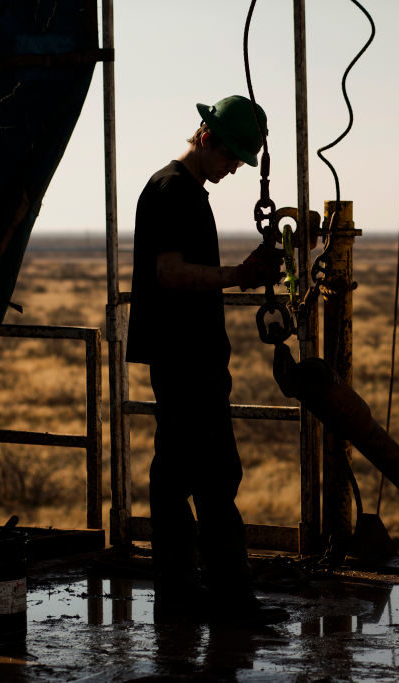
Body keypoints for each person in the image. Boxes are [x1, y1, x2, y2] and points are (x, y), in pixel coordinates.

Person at [126, 95, 286, 625]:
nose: (235, 167)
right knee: (216, 477)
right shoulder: (176, 192)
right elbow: (169, 273)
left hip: (179, 355)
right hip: (188, 357)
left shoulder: (175, 188)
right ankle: (230, 599)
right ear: (206, 137)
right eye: (231, 155)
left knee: (173, 478)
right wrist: (242, 275)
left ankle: (178, 595)